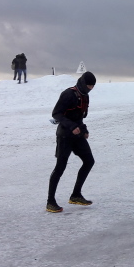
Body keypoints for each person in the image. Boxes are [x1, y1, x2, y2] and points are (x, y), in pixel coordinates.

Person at [46, 72, 97, 213]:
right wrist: (72, 126)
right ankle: (50, 202)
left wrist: (83, 129)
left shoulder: (85, 95)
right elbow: (56, 113)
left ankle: (76, 195)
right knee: (60, 167)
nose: (91, 88)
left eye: (93, 86)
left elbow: (79, 116)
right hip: (64, 135)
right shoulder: (68, 94)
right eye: (89, 85)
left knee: (89, 161)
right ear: (83, 83)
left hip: (77, 134)